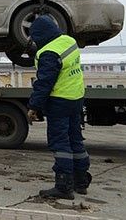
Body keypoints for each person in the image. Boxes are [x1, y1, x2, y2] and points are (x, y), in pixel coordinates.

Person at [27, 15, 91, 200]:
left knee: (60, 143)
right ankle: (81, 182)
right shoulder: (69, 42)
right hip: (76, 98)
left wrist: (34, 106)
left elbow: (45, 83)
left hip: (59, 102)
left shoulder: (49, 52)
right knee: (75, 140)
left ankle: (64, 186)